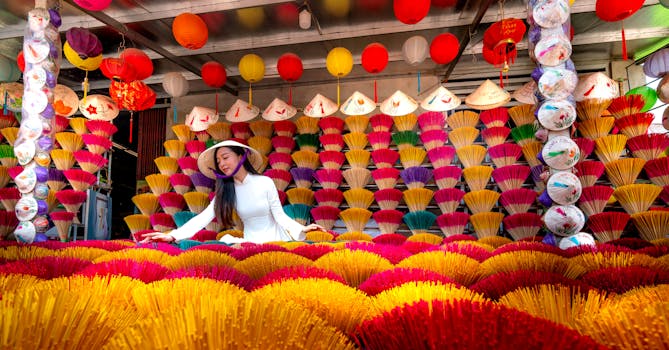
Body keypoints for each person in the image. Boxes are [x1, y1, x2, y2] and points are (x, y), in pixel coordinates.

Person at [141, 140, 323, 244]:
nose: (222, 163)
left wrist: (302, 228)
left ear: (241, 156)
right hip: (250, 245)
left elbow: (280, 216)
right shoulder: (227, 191)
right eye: (218, 161)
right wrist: (172, 235)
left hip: (278, 242)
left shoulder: (265, 182)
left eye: (225, 157)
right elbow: (202, 218)